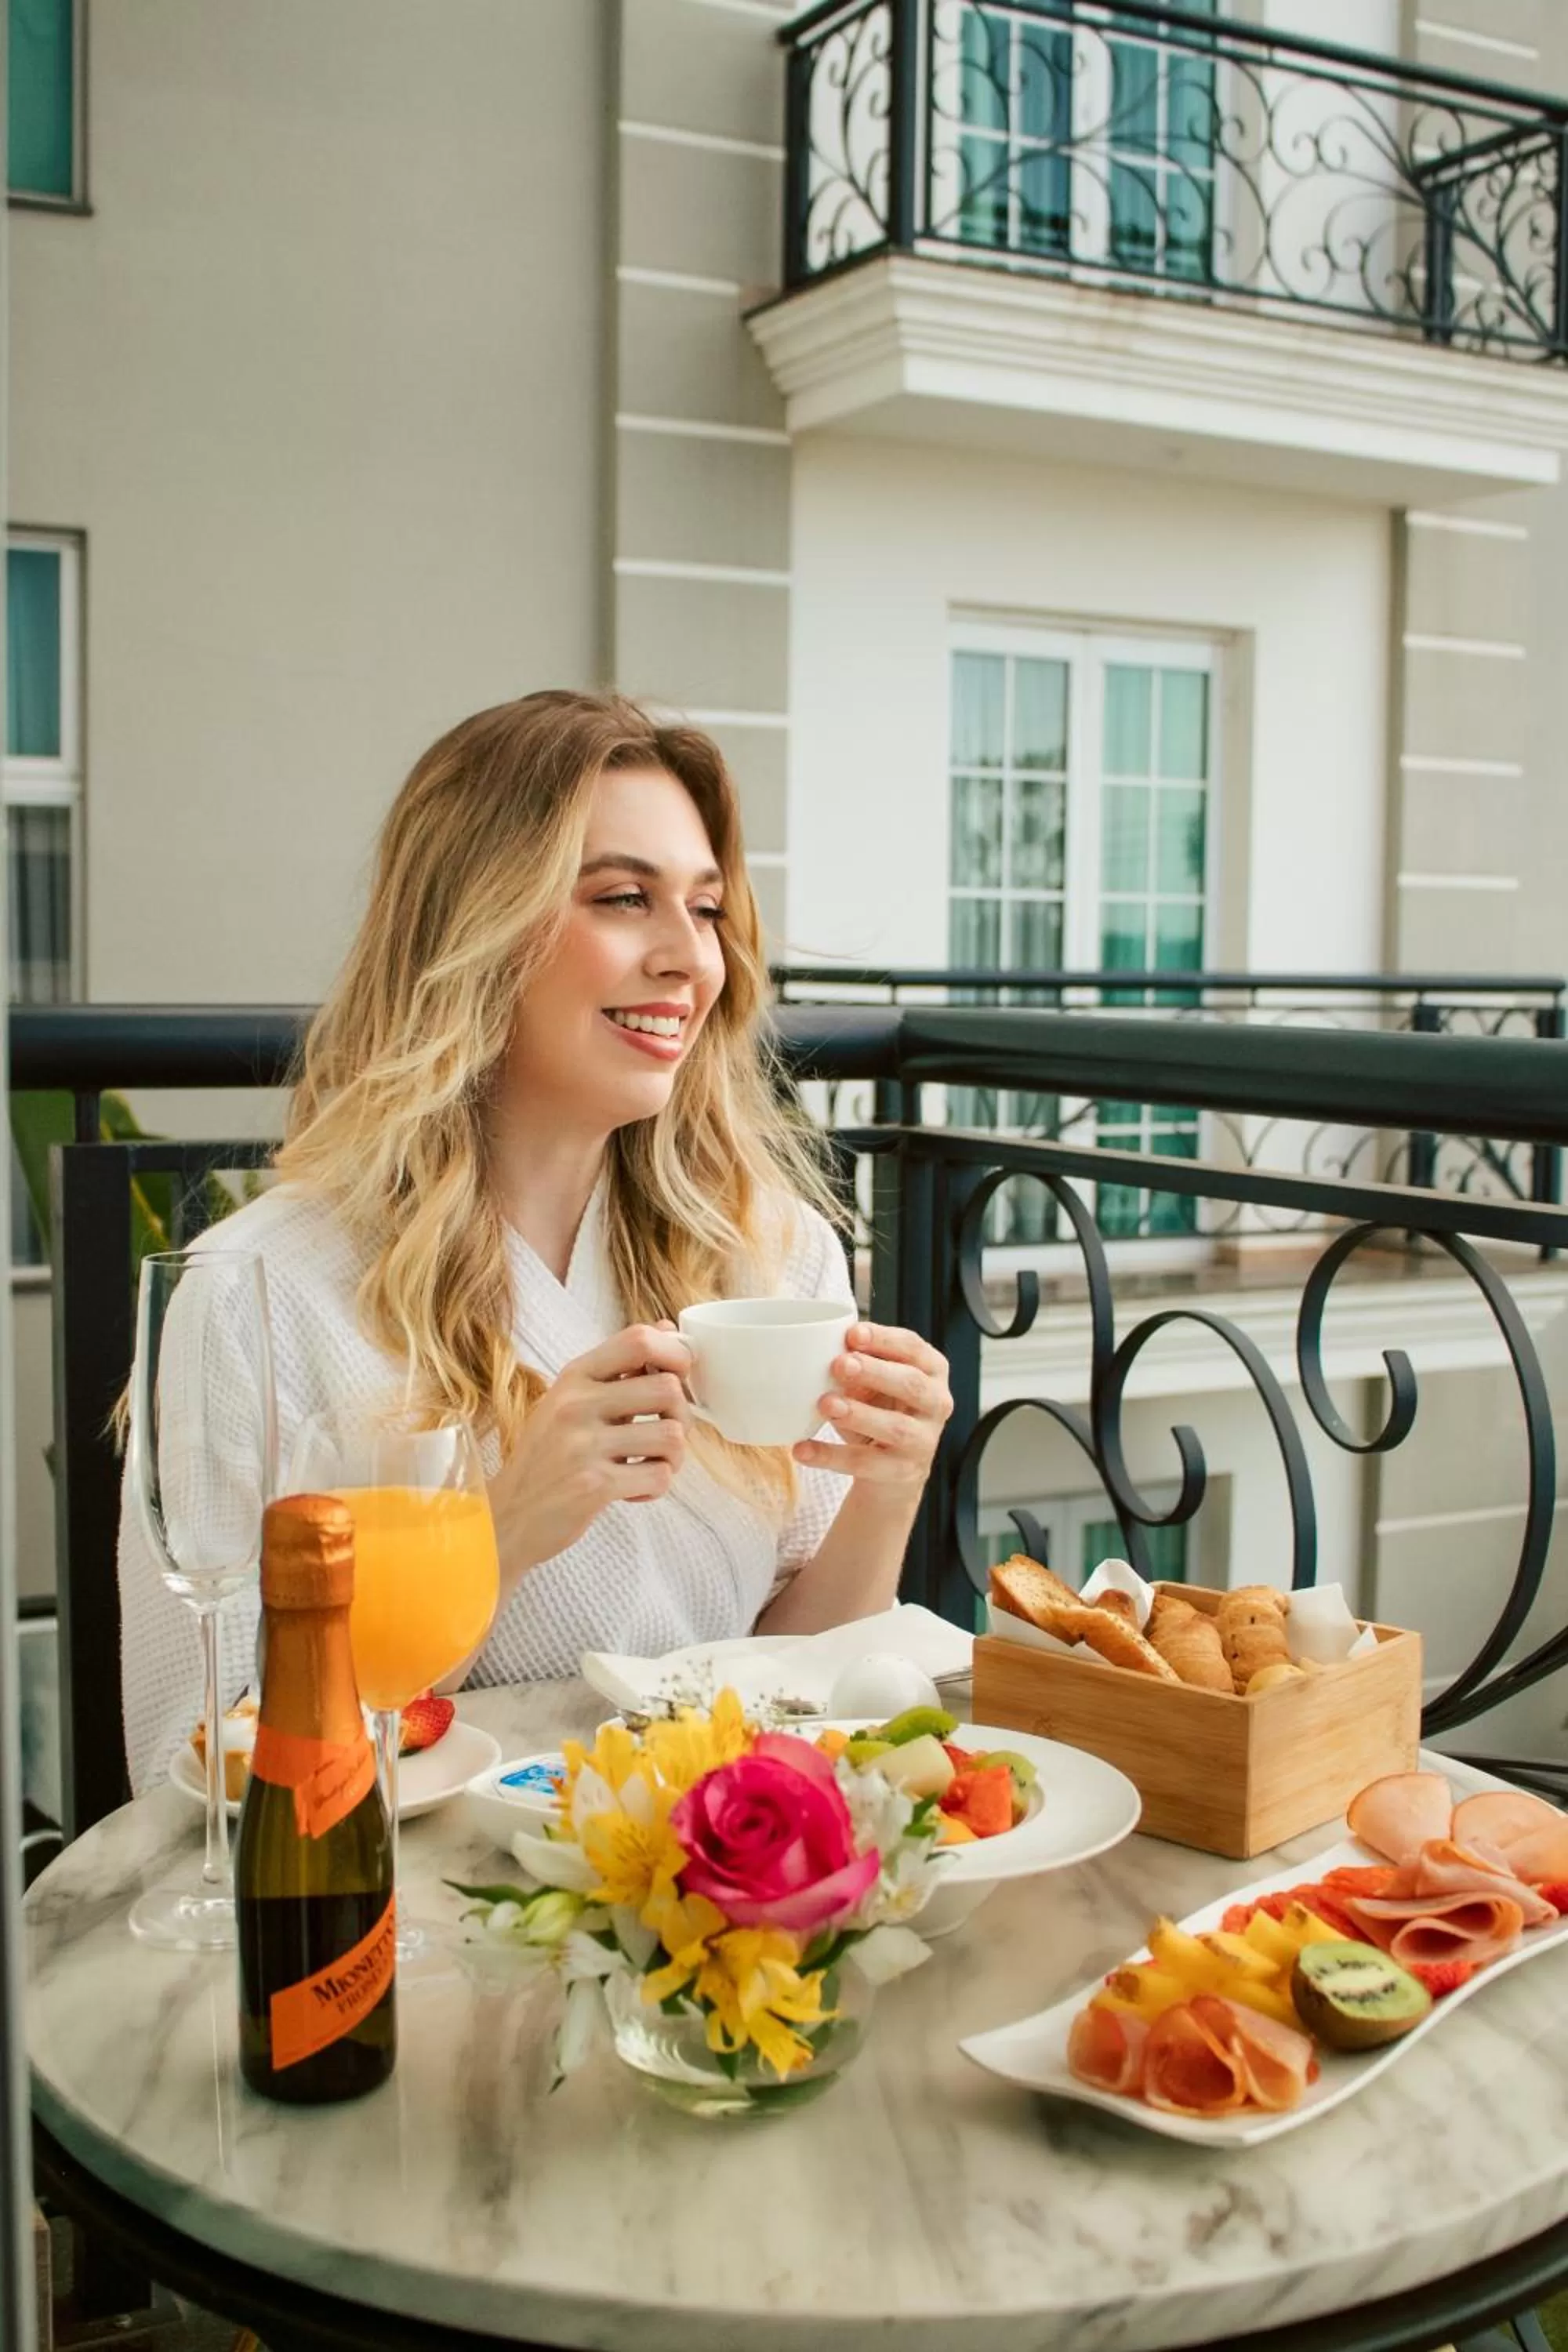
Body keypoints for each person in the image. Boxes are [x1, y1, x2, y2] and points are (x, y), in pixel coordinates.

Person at [118, 691, 952, 1793]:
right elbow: (197, 1763)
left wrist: (891, 1487)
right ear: (475, 926)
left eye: (704, 910)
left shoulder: (770, 1254)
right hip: (421, 1920)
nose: (689, 960)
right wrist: (496, 1534)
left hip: (713, 1901)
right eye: (622, 898)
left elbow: (800, 1676)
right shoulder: (261, 1297)